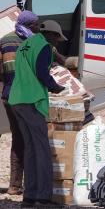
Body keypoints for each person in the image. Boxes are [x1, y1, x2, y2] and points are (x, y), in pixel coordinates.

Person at [8, 20, 66, 207]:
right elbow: (42, 72)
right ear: (51, 34)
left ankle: (29, 197)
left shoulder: (24, 45)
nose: (57, 42)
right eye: (57, 38)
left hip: (16, 99)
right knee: (41, 150)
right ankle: (43, 197)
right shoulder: (43, 46)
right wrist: (55, 87)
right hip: (32, 100)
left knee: (30, 149)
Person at [0, 10, 40, 195]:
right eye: (36, 25)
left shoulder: (5, 40)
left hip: (9, 97)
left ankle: (15, 185)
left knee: (18, 138)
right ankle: (26, 186)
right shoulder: (33, 42)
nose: (38, 28)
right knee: (28, 140)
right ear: (30, 25)